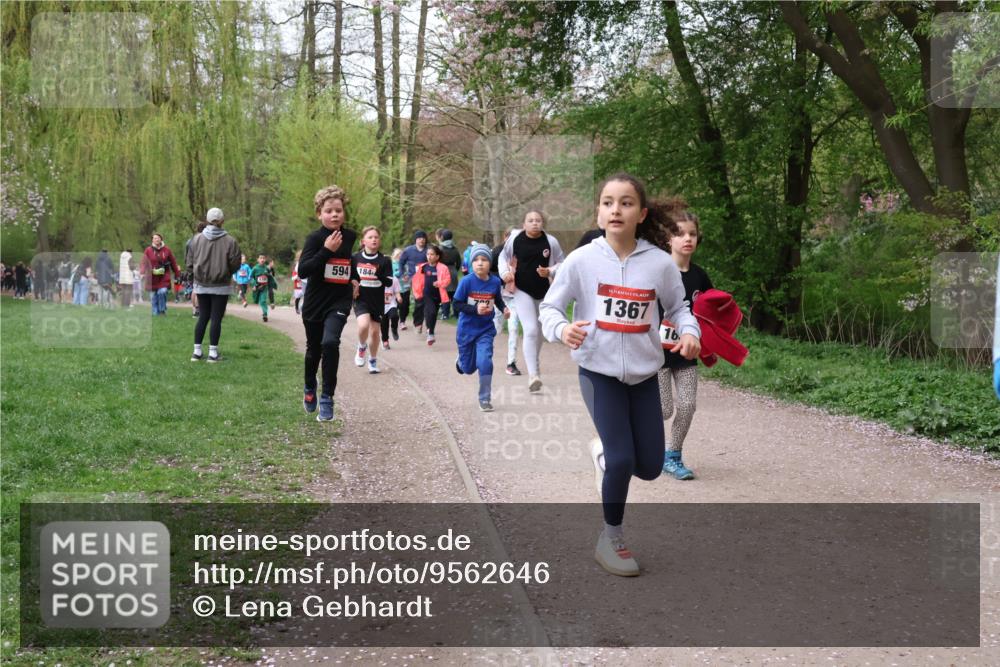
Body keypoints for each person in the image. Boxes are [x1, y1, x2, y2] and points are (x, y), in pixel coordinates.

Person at [539, 173, 701, 577]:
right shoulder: (582, 260)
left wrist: (690, 331)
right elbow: (549, 309)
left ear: (641, 213)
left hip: (645, 375)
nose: (616, 209)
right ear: (598, 211)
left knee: (648, 466)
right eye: (608, 202)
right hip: (599, 373)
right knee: (622, 457)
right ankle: (611, 538)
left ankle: (603, 452)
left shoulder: (660, 264)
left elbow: (679, 308)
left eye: (626, 202)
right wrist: (563, 330)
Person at [656, 203, 713, 480]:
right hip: (656, 356)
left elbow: (712, 311)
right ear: (669, 239)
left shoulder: (700, 276)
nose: (687, 239)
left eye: (692, 234)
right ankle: (637, 445)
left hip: (687, 355)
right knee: (664, 409)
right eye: (680, 234)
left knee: (688, 405)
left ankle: (673, 456)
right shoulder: (657, 271)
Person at [298, 185, 358, 422]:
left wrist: (355, 278)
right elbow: (304, 270)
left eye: (339, 210)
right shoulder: (314, 238)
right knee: (314, 351)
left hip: (339, 300)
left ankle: (327, 397)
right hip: (314, 303)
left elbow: (348, 261)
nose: (334, 215)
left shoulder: (350, 236)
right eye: (329, 211)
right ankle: (310, 386)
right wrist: (325, 250)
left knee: (330, 343)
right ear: (319, 214)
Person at [499, 210, 565, 392]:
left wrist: (550, 271)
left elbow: (562, 262)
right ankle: (533, 375)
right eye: (531, 220)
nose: (535, 223)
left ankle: (534, 364)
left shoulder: (550, 241)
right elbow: (502, 257)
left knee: (541, 332)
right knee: (530, 329)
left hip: (544, 291)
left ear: (542, 223)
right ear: (524, 224)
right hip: (522, 290)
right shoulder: (515, 239)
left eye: (538, 220)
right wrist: (505, 272)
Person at [454, 243, 509, 411]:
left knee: (485, 362)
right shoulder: (466, 282)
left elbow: (497, 299)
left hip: (485, 330)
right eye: (476, 260)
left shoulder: (494, 282)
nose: (480, 263)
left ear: (489, 263)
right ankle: (461, 362)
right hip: (466, 330)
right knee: (468, 368)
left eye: (484, 260)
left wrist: (504, 308)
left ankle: (484, 398)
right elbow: (456, 304)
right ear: (471, 263)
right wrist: (475, 309)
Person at [187, 207, 241, 362]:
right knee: (216, 318)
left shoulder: (196, 239)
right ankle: (213, 353)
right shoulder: (230, 241)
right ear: (222, 221)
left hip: (201, 284)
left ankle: (196, 352)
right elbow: (235, 263)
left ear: (207, 220)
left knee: (203, 316)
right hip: (221, 285)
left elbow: (189, 262)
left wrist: (195, 274)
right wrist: (226, 272)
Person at [351, 226, 393, 374]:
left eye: (376, 237)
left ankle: (373, 360)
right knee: (363, 325)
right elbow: (351, 277)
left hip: (377, 300)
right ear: (363, 241)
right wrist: (353, 286)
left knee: (375, 333)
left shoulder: (385, 260)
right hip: (361, 298)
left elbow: (389, 282)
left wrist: (378, 273)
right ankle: (361, 347)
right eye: (370, 237)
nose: (374, 239)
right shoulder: (355, 258)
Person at [491, 227, 522, 375]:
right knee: (494, 329)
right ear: (506, 238)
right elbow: (487, 272)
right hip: (499, 298)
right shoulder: (497, 252)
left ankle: (511, 363)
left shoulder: (524, 254)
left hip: (516, 298)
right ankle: (479, 354)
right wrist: (503, 278)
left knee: (514, 329)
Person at [411, 244, 450, 346]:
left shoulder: (443, 268)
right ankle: (431, 334)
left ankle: (430, 329)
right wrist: (417, 292)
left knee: (433, 313)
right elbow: (417, 280)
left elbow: (447, 280)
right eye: (428, 254)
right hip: (426, 294)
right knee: (431, 312)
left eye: (432, 254)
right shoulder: (423, 267)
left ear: (437, 256)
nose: (429, 256)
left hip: (438, 295)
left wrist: (439, 283)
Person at [141, 233, 180, 315]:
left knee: (162, 292)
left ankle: (162, 310)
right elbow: (143, 262)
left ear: (161, 239)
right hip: (152, 277)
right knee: (153, 297)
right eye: (155, 238)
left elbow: (173, 262)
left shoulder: (167, 250)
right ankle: (156, 312)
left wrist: (177, 273)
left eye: (158, 238)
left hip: (164, 276)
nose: (156, 239)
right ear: (152, 240)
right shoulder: (148, 250)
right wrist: (142, 272)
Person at [399, 230, 428, 331]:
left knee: (420, 301)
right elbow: (401, 262)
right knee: (405, 301)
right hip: (410, 278)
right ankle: (402, 321)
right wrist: (403, 274)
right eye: (419, 238)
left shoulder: (429, 250)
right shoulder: (408, 250)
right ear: (415, 240)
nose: (422, 240)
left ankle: (418, 323)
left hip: (423, 279)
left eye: (423, 238)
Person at [437, 229, 462, 319]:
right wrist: (455, 269)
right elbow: (459, 262)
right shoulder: (455, 249)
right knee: (454, 293)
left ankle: (445, 314)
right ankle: (456, 313)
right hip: (453, 271)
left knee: (444, 293)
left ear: (442, 237)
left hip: (443, 271)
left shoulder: (440, 248)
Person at [186, 221, 208, 318]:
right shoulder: (205, 240)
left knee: (195, 289)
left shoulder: (190, 241)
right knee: (201, 289)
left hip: (192, 267)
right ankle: (199, 310)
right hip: (203, 267)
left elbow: (186, 256)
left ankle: (194, 310)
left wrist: (189, 267)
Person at [250, 253, 276, 322]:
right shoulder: (255, 268)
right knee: (256, 300)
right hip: (257, 287)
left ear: (265, 260)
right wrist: (253, 284)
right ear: (258, 260)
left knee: (263, 300)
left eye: (263, 258)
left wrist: (273, 284)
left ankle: (265, 314)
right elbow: (251, 277)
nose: (262, 259)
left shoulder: (266, 268)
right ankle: (263, 310)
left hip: (264, 287)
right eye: (261, 258)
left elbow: (271, 276)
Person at [382, 273, 402, 350]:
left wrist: (399, 297)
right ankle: (385, 341)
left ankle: (394, 329)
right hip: (381, 305)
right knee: (384, 323)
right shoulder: (377, 279)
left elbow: (397, 292)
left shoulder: (394, 279)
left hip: (391, 304)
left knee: (395, 316)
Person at [291, 250, 304, 315]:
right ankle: (297, 308)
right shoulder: (297, 265)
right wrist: (297, 276)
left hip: (304, 283)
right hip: (297, 285)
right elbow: (293, 277)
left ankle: (302, 308)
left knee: (306, 296)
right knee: (298, 297)